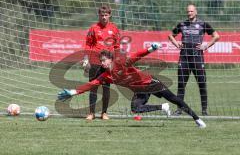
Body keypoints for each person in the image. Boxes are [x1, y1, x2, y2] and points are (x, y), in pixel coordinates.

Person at [58, 43, 207, 128]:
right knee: (135, 108)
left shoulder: (121, 64)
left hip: (150, 84)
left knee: (175, 99)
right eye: (101, 61)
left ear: (110, 59)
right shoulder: (106, 76)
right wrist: (72, 92)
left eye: (104, 60)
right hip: (139, 91)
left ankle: (197, 119)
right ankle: (162, 107)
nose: (102, 63)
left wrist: (150, 49)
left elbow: (136, 56)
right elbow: (91, 84)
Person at [168, 4, 220, 116]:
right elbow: (170, 35)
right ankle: (179, 110)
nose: (189, 13)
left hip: (197, 59)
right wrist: (176, 43)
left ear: (196, 12)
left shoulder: (203, 24)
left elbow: (216, 36)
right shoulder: (182, 24)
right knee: (181, 85)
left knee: (202, 84)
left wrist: (206, 46)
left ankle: (204, 110)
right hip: (184, 58)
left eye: (191, 11)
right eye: (188, 11)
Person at [84, 5, 120, 120]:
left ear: (109, 15)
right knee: (93, 87)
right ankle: (91, 113)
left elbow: (117, 46)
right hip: (95, 61)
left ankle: (104, 113)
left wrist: (116, 61)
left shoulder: (114, 28)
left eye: (106, 15)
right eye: (101, 15)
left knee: (106, 87)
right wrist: (86, 59)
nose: (104, 17)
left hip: (108, 63)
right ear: (99, 15)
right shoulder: (93, 28)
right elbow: (88, 44)